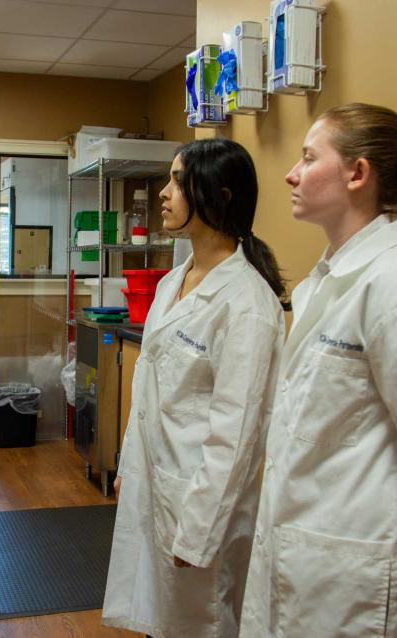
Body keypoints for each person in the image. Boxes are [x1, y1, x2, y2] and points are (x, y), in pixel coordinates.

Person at [240, 103, 397, 637]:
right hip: (312, 567)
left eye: (308, 157)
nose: (291, 173)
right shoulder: (324, 284)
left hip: (368, 580)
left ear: (358, 174)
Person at [102, 139, 287, 638]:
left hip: (200, 504)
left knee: (199, 622)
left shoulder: (247, 304)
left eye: (178, 182)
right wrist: (129, 465)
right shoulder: (172, 282)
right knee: (160, 618)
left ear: (218, 196)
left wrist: (202, 529)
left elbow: (238, 432)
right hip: (157, 481)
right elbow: (149, 395)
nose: (163, 193)